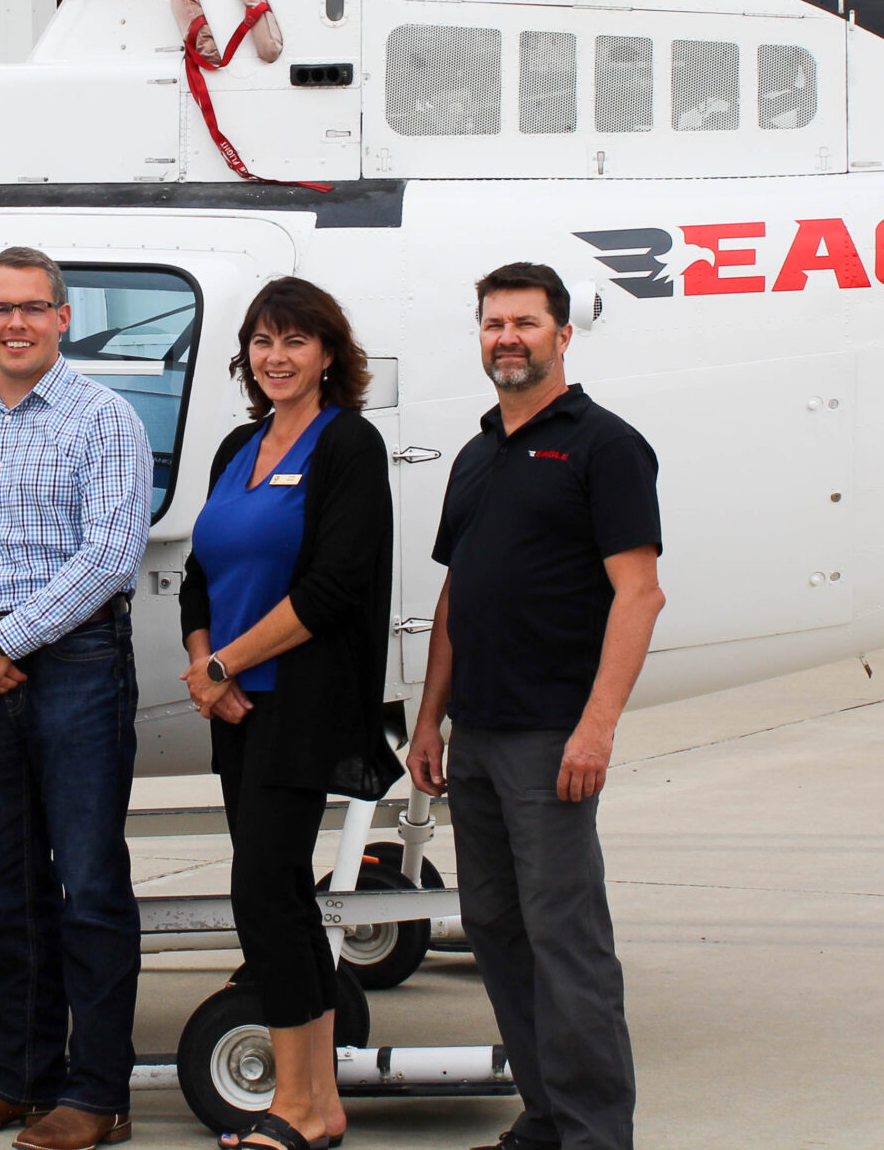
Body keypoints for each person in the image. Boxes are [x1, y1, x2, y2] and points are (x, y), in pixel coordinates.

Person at [404, 263, 664, 1150]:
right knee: (498, 933)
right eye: (492, 324)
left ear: (562, 333)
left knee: (567, 942)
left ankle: (595, 1133)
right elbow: (455, 597)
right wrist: (429, 716)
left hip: (552, 737)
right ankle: (548, 1117)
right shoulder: (478, 454)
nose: (506, 337)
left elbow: (639, 595)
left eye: (524, 322)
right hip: (474, 734)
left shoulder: (605, 446)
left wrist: (596, 729)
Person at [0, 247, 153, 1150]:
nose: (14, 324)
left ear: (62, 316)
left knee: (89, 885)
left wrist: (4, 643)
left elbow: (110, 556)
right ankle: (18, 1078)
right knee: (5, 888)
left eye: (32, 308)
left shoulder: (103, 419)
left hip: (78, 665)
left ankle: (97, 1095)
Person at [181, 278, 401, 1150]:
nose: (277, 357)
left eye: (296, 341)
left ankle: (304, 1105)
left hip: (298, 704)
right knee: (275, 900)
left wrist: (230, 660)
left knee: (265, 895)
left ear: (328, 355)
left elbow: (334, 586)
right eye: (263, 341)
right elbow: (201, 574)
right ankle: (316, 1103)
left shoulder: (349, 444)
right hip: (232, 705)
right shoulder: (238, 446)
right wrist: (205, 664)